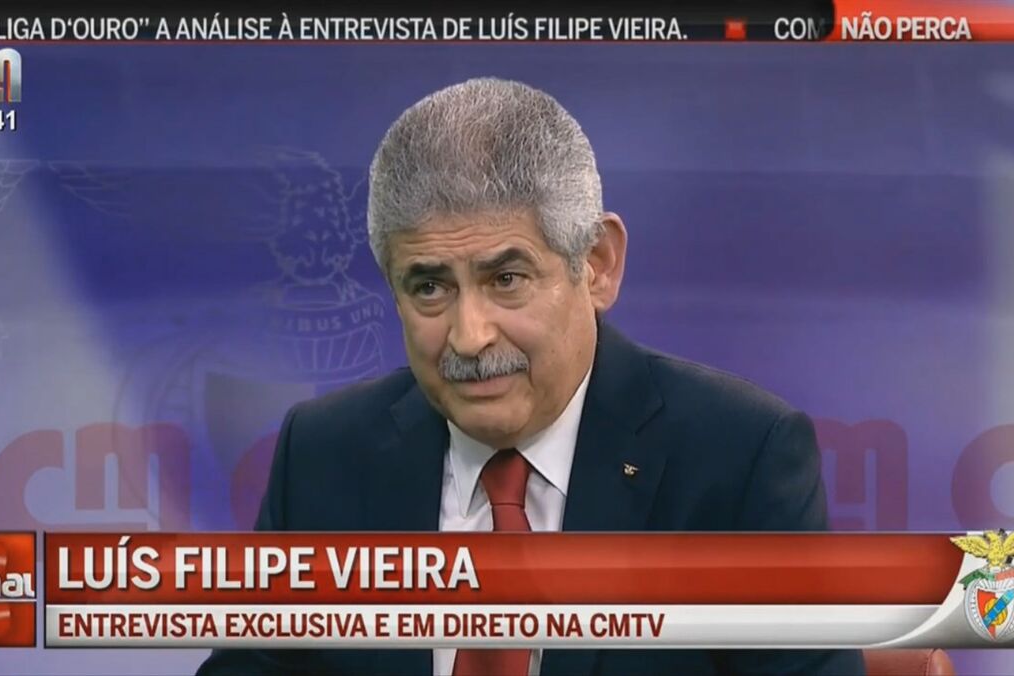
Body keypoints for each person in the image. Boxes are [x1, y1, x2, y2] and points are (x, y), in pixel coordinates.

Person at [198, 78, 863, 676]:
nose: (469, 336)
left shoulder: (739, 458)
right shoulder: (324, 454)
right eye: (429, 287)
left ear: (596, 264)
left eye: (506, 279)